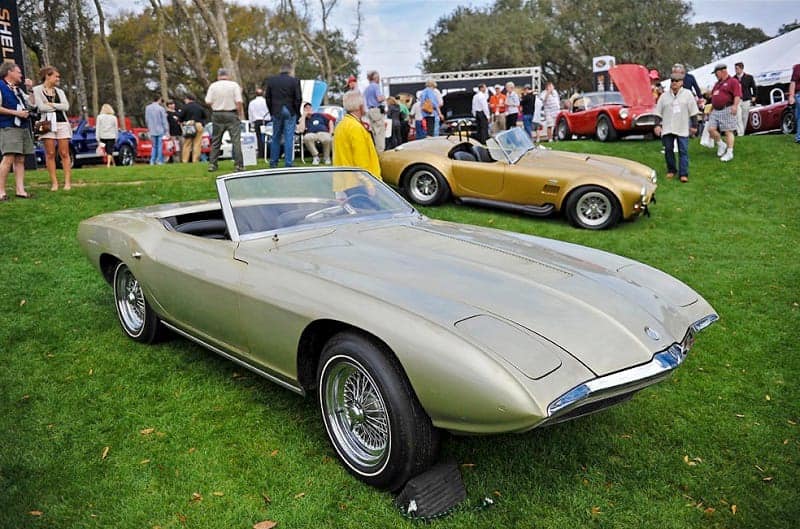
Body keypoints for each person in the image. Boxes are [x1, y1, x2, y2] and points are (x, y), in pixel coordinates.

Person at [654, 75, 699, 183]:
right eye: (672, 80)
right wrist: (657, 125)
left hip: (682, 127)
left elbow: (693, 112)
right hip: (668, 127)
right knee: (668, 150)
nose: (674, 82)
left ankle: (683, 174)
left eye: (677, 81)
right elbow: (657, 112)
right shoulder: (664, 96)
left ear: (681, 82)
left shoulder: (688, 94)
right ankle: (671, 170)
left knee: (683, 151)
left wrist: (694, 126)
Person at [32, 66, 72, 190]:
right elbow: (41, 107)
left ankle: (67, 182)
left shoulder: (59, 92)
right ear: (48, 76)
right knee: (50, 153)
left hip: (62, 123)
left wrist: (52, 104)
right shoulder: (37, 90)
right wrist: (55, 106)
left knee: (64, 152)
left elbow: (66, 107)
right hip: (45, 123)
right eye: (56, 76)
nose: (58, 78)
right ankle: (54, 183)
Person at [0, 62, 34, 200]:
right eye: (18, 72)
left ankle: (20, 190)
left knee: (20, 159)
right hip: (9, 126)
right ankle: (1, 191)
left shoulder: (18, 90)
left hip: (23, 127)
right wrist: (16, 113)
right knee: (8, 158)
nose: (21, 75)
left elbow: (32, 104)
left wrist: (30, 90)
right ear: (9, 72)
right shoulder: (1, 87)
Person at [333, 90, 381, 183]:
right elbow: (361, 162)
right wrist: (369, 183)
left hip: (344, 181)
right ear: (360, 106)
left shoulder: (341, 125)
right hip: (358, 184)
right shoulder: (355, 128)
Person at [206, 68, 244, 171]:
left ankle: (212, 164)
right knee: (235, 140)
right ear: (228, 75)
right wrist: (239, 114)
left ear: (218, 76)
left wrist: (215, 106)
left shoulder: (213, 86)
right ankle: (238, 165)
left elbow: (208, 101)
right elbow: (239, 101)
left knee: (216, 140)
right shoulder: (234, 85)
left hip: (217, 113)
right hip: (231, 113)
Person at [264, 63, 302, 168]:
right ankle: (288, 163)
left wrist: (271, 111)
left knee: (275, 137)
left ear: (280, 70)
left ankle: (273, 162)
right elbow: (298, 98)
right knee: (289, 137)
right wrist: (297, 112)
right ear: (290, 70)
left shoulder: (271, 80)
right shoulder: (294, 81)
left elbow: (267, 98)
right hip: (290, 110)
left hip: (276, 110)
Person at [706, 63, 741, 162]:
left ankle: (730, 152)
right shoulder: (717, 84)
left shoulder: (733, 81)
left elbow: (737, 95)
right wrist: (711, 108)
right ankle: (721, 144)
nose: (715, 75)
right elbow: (713, 96)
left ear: (722, 71)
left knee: (728, 131)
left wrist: (735, 106)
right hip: (715, 110)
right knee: (710, 129)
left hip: (727, 108)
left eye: (716, 73)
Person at [178, 94, 206, 163]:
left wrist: (181, 121)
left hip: (189, 125)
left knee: (187, 143)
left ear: (188, 99)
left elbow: (180, 117)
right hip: (198, 125)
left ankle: (185, 160)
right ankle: (195, 160)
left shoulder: (185, 107)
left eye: (185, 99)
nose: (185, 101)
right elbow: (205, 116)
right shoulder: (199, 107)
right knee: (197, 143)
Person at [363, 70, 386, 151]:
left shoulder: (367, 89)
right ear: (375, 77)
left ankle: (376, 151)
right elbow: (379, 98)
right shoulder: (376, 86)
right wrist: (384, 97)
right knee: (380, 132)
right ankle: (381, 151)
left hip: (370, 111)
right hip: (376, 111)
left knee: (374, 132)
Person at [144, 95, 169, 165]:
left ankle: (152, 160)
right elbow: (164, 120)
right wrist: (166, 130)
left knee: (154, 146)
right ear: (159, 99)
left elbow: (146, 119)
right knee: (160, 146)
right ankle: (159, 160)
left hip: (151, 129)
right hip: (160, 129)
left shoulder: (147, 108)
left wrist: (149, 127)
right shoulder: (161, 109)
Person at [734, 62, 757, 136]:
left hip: (746, 99)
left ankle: (742, 132)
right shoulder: (733, 79)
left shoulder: (749, 77)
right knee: (738, 116)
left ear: (741, 69)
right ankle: (739, 133)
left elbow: (754, 87)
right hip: (737, 99)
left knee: (744, 116)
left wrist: (754, 96)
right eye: (735, 68)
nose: (736, 70)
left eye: (737, 68)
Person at [247, 87, 269, 159]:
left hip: (258, 121)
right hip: (267, 120)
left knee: (259, 138)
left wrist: (251, 123)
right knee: (268, 137)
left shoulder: (252, 103)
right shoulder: (266, 101)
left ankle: (261, 154)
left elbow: (250, 113)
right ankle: (268, 152)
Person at [789, 63, 800, 144]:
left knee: (798, 116)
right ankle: (799, 137)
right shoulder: (797, 68)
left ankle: (798, 137)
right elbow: (793, 83)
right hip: (799, 93)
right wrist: (791, 96)